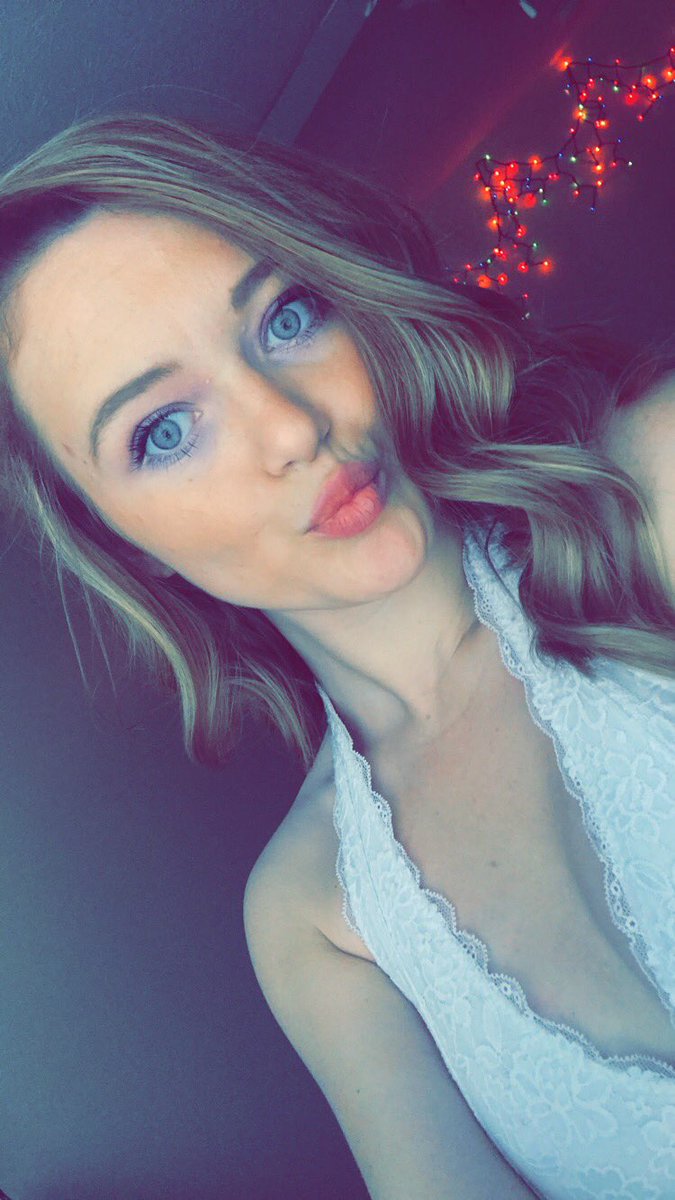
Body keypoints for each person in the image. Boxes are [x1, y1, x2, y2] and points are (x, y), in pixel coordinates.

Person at [0, 111, 673, 1200]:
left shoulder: (650, 489)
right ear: (123, 541)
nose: (290, 428)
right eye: (164, 430)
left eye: (286, 317)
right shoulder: (312, 912)